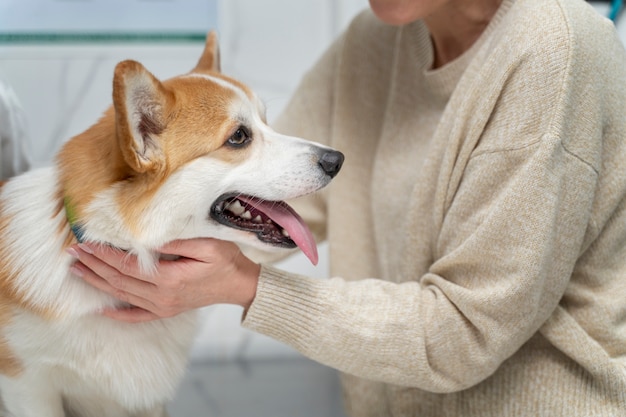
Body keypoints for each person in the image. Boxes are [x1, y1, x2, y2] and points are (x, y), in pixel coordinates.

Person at [67, 0, 626, 415]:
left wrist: (245, 287)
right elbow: (281, 197)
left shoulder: (555, 53)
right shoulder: (376, 39)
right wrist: (130, 244)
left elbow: (462, 334)